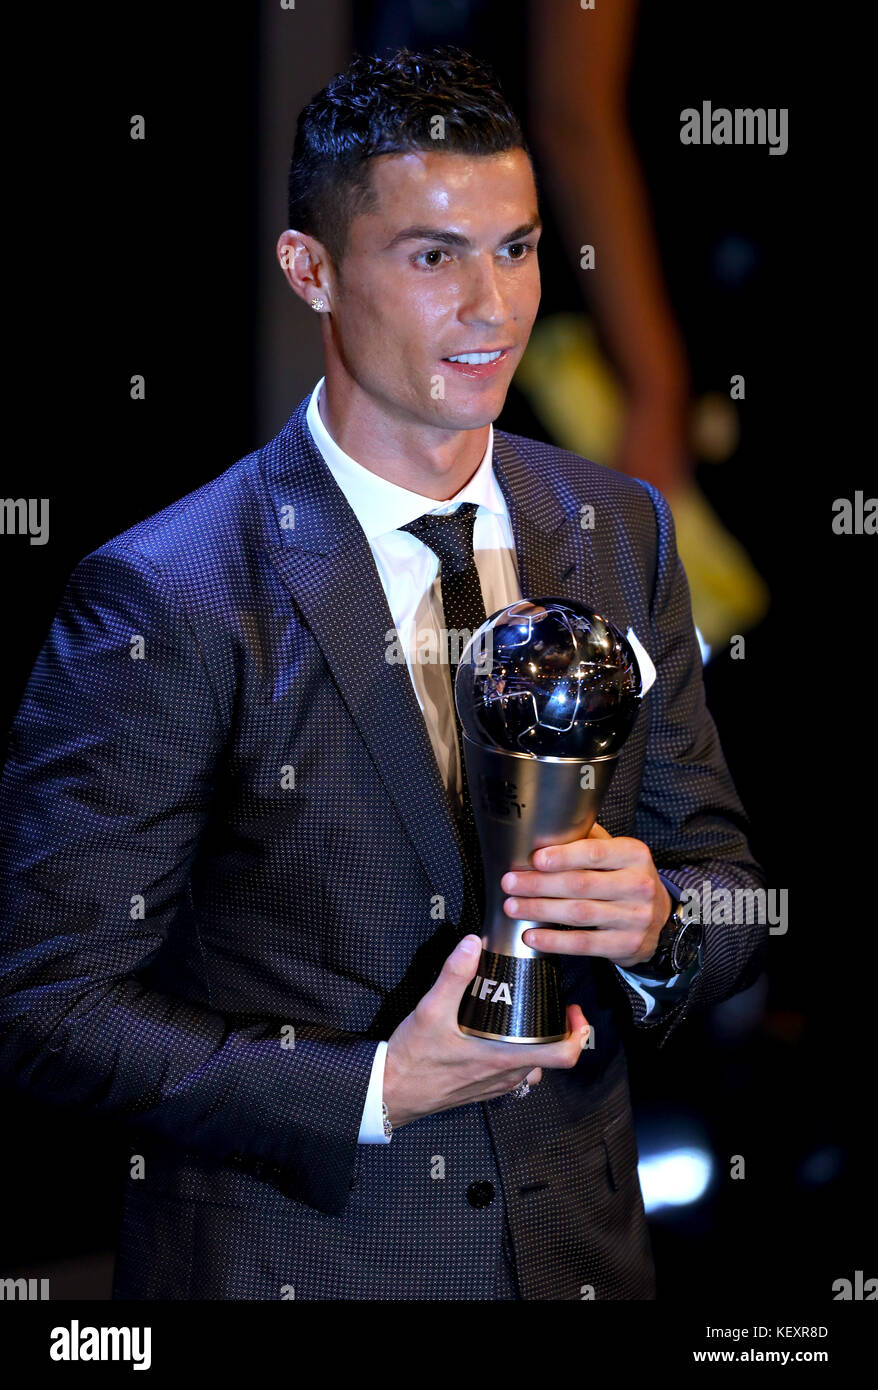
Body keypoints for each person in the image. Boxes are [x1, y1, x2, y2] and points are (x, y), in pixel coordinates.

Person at [0, 48, 767, 1301]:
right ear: (310, 269)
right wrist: (367, 1089)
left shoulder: (617, 526)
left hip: (581, 1260)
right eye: (432, 256)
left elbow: (728, 887)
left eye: (516, 249)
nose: (493, 308)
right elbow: (47, 1000)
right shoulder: (171, 592)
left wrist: (660, 923)